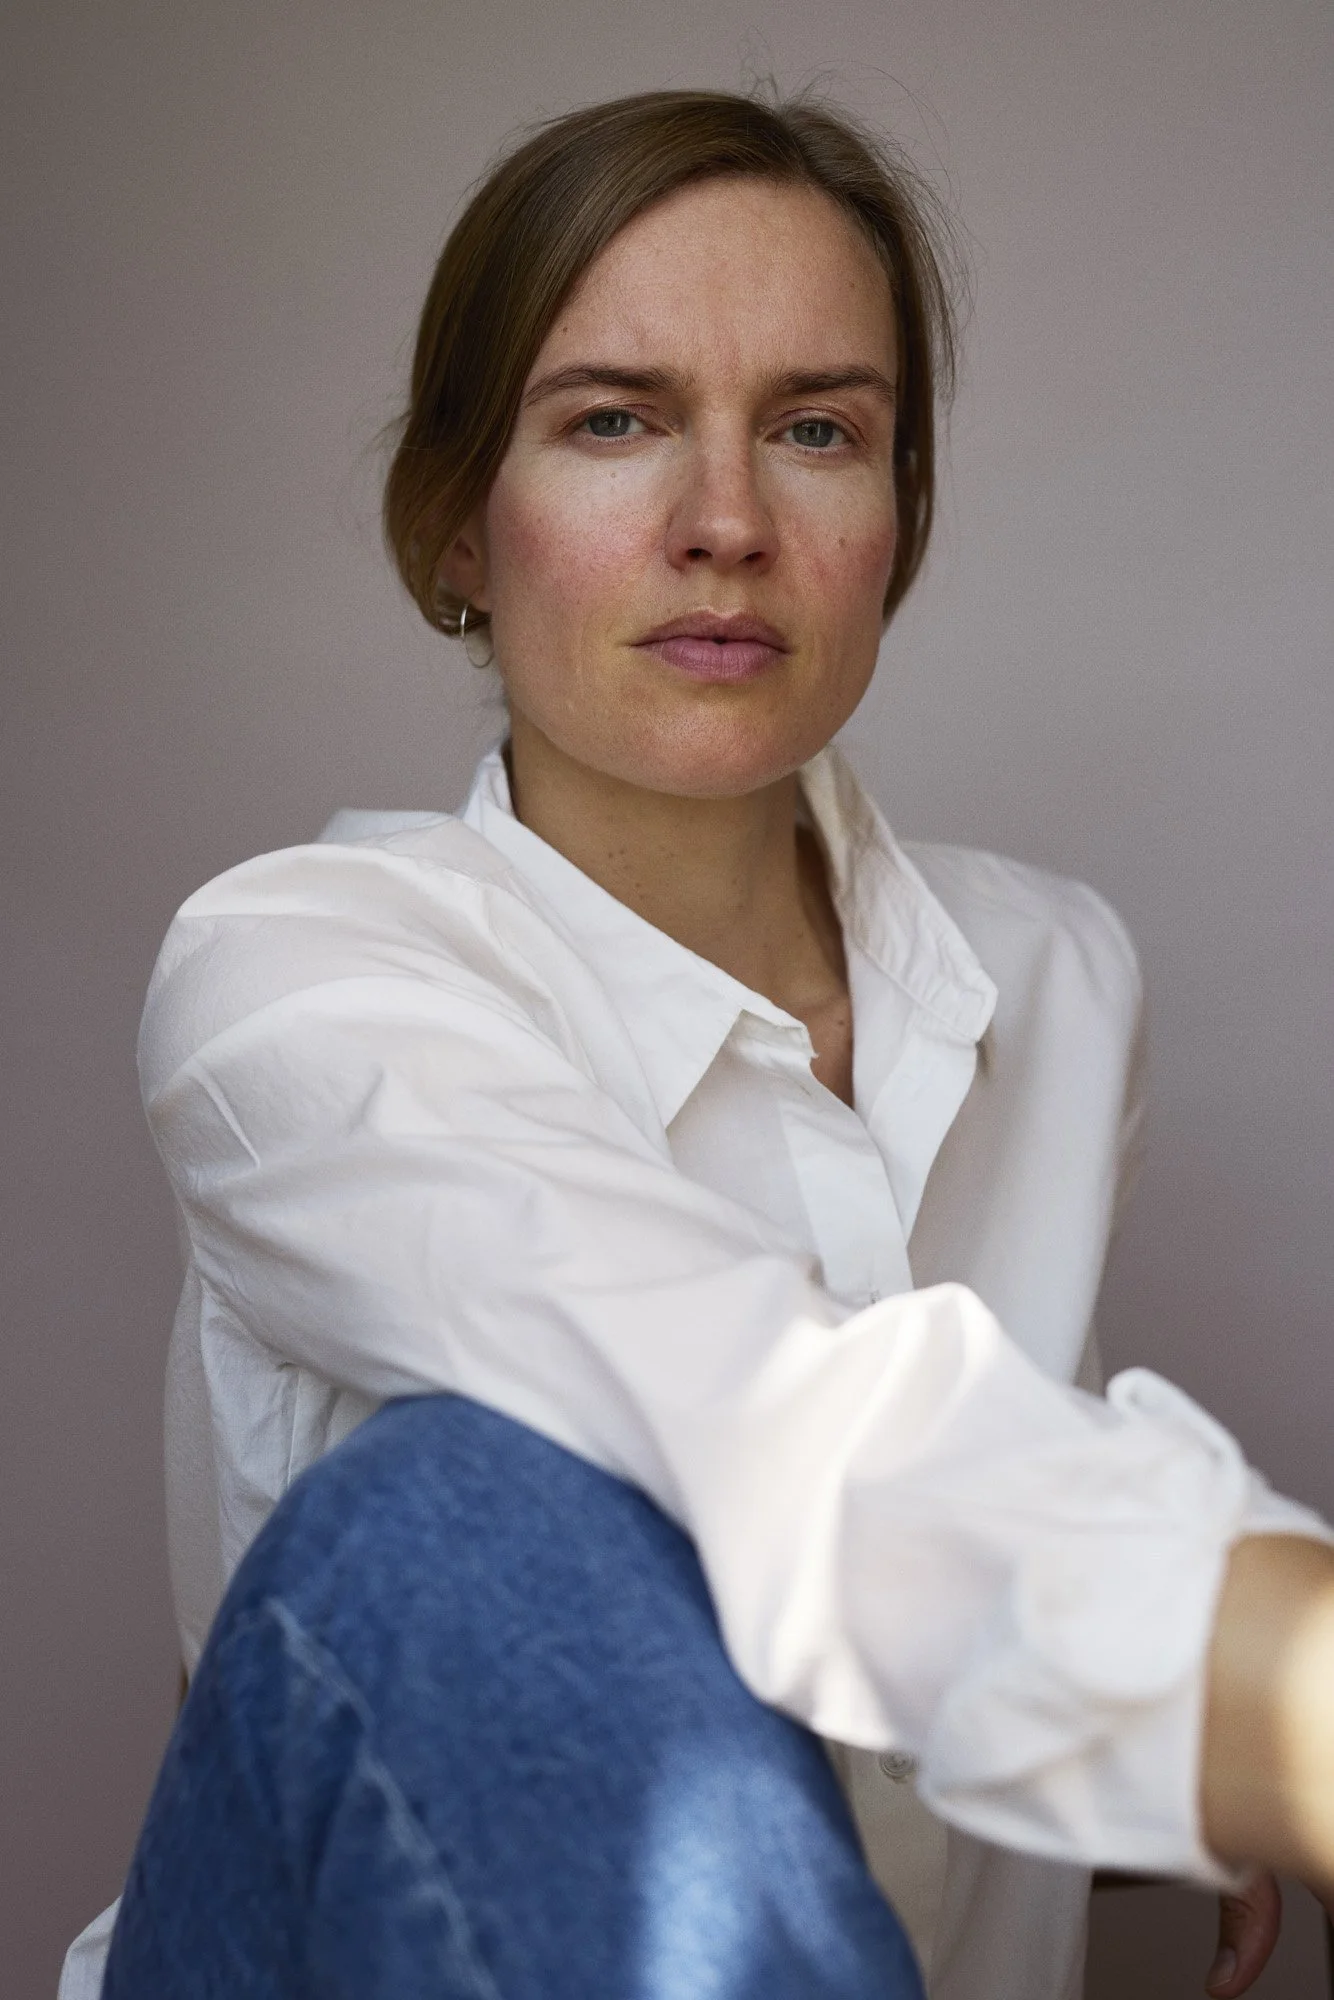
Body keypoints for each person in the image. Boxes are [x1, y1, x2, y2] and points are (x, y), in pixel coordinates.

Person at [60, 89, 1334, 2000]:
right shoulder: (294, 981)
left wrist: (1163, 1779)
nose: (726, 524)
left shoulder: (1053, 974)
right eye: (613, 421)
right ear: (455, 526)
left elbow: (942, 1509)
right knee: (474, 1512)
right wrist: (1257, 1690)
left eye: (818, 430)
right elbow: (753, 1419)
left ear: (895, 519)